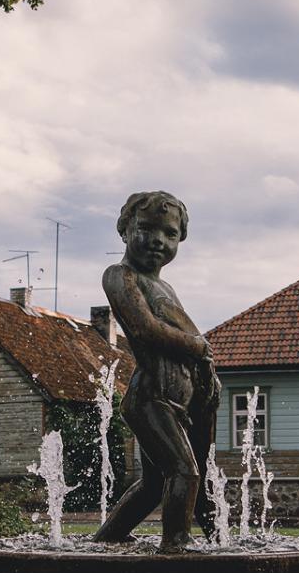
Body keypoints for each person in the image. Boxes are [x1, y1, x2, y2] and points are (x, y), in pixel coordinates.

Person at [92, 191, 222, 553]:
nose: (157, 241)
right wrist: (197, 347)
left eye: (169, 234)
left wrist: (207, 377)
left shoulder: (166, 287)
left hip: (180, 401)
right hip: (151, 398)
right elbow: (145, 328)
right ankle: (176, 542)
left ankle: (109, 538)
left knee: (154, 485)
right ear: (124, 229)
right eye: (146, 228)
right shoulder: (120, 276)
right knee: (185, 472)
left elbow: (190, 338)